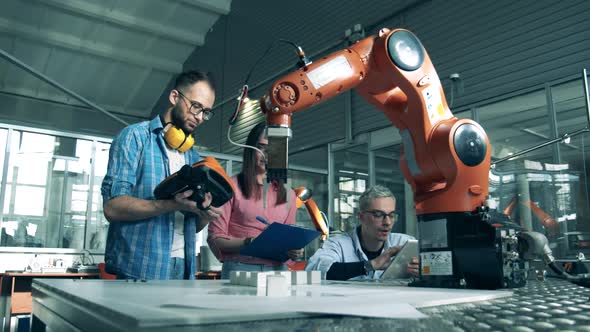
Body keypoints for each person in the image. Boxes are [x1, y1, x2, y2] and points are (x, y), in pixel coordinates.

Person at [101, 70, 223, 280]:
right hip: (139, 269)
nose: (200, 117)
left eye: (206, 112)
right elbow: (112, 208)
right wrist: (171, 204)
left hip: (184, 267)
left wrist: (204, 215)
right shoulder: (134, 138)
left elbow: (190, 226)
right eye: (196, 106)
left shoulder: (193, 156)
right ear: (175, 97)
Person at [207, 122, 303, 279]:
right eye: (263, 148)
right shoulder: (230, 187)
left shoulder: (289, 195)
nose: (268, 155)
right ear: (250, 149)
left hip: (278, 271)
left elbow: (289, 239)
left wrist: (294, 251)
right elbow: (216, 239)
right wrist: (250, 242)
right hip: (240, 269)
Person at [306, 185, 419, 280]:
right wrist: (371, 265)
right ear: (361, 217)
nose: (387, 222)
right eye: (378, 215)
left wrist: (423, 273)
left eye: (391, 215)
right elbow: (313, 272)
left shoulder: (405, 243)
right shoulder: (338, 244)